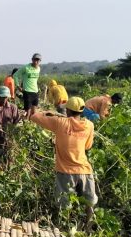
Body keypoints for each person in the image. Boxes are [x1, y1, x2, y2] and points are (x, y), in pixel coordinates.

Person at [29, 97, 98, 226]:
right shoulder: (89, 125)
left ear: (68, 111)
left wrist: (49, 113)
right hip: (85, 170)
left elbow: (34, 116)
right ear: (81, 112)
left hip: (65, 172)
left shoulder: (60, 123)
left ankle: (64, 227)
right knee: (90, 202)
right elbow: (88, 146)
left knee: (64, 203)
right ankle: (89, 228)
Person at [0, 86, 21, 165]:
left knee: (7, 160)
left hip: (7, 138)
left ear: (8, 97)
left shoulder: (13, 108)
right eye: (2, 97)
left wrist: (12, 132)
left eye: (5, 97)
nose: (4, 99)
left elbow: (16, 122)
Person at [13, 53, 42, 117]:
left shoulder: (38, 69)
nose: (36, 62)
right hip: (27, 92)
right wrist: (18, 86)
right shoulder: (26, 67)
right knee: (28, 113)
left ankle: (31, 125)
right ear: (32, 60)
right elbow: (15, 75)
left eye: (38, 60)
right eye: (35, 60)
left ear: (40, 61)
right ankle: (25, 125)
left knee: (34, 113)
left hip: (35, 92)